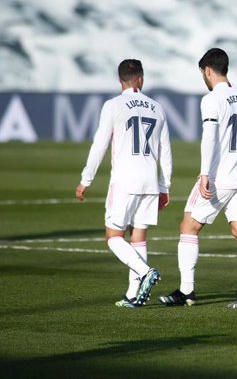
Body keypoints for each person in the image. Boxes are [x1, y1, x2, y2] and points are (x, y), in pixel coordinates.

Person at [158, 47, 237, 310]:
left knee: (188, 225)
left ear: (208, 70)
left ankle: (187, 291)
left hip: (219, 178)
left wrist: (205, 174)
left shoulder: (212, 99)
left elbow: (210, 138)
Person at [76, 59, 172, 308]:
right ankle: (132, 295)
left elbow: (100, 144)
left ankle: (144, 271)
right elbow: (166, 150)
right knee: (138, 236)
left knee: (113, 236)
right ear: (140, 79)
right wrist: (165, 186)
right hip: (150, 180)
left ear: (120, 80)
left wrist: (86, 179)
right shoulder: (156, 107)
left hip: (125, 181)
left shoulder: (113, 105)